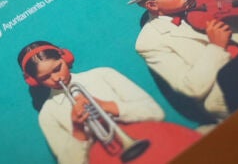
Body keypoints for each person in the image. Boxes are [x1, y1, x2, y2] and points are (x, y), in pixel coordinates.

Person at [17, 41, 167, 164]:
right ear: (34, 81)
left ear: (66, 58)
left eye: (57, 68)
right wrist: (78, 130)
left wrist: (107, 106)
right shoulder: (47, 114)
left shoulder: (103, 75)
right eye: (45, 77)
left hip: (151, 144)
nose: (56, 78)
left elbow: (156, 113)